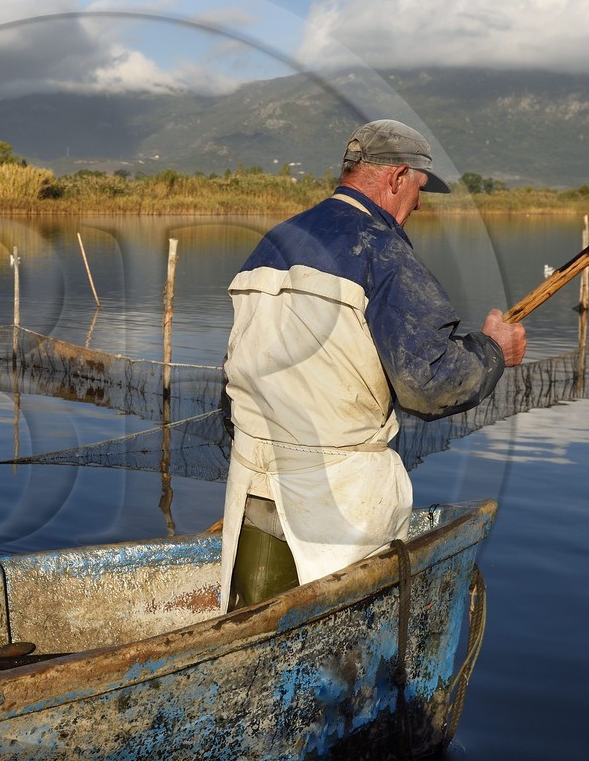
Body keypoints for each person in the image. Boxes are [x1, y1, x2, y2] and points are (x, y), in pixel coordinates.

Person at [219, 118, 526, 610]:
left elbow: (234, 375)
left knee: (253, 612)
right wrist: (493, 351)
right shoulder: (381, 250)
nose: (421, 203)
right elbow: (428, 384)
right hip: (338, 497)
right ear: (397, 177)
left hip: (251, 478)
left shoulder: (271, 243)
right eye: (420, 187)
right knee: (335, 636)